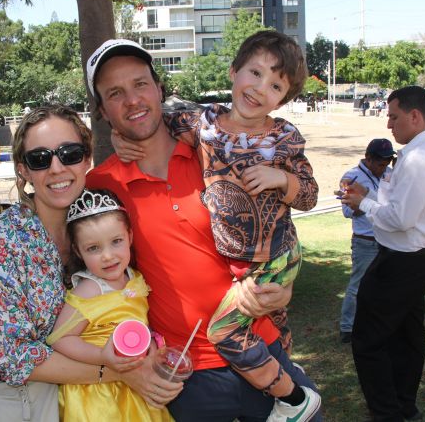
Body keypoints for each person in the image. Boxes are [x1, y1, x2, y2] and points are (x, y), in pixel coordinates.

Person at [85, 37, 322, 422]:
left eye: (141, 84)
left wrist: (283, 289)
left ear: (159, 88)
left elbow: (277, 224)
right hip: (186, 373)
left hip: (259, 345)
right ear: (102, 110)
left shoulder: (216, 151)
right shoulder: (101, 186)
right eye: (115, 93)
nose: (132, 100)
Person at [0, 105, 183, 422]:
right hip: (16, 403)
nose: (57, 168)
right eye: (40, 159)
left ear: (87, 159)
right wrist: (120, 372)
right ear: (24, 171)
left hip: (91, 403)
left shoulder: (103, 223)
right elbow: (10, 355)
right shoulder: (5, 240)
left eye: (70, 153)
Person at [341, 85, 425, 422]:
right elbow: (400, 204)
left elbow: (401, 219)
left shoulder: (418, 159)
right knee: (406, 335)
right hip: (412, 258)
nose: (388, 124)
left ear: (414, 116)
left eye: (393, 116)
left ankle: (388, 412)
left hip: (402, 262)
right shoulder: (421, 152)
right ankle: (403, 406)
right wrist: (369, 196)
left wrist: (363, 203)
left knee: (367, 339)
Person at [47, 188, 172, 421]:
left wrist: (152, 346)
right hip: (97, 393)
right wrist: (102, 356)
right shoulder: (89, 290)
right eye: (93, 248)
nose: (107, 256)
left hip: (134, 384)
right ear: (78, 251)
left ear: (130, 237)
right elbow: (60, 339)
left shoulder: (134, 277)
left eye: (116, 241)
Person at [337, 138, 396, 344]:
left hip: (388, 239)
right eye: (380, 163)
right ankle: (348, 327)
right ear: (368, 158)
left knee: (385, 284)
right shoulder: (351, 177)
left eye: (387, 163)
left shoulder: (389, 174)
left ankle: (378, 323)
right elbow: (347, 211)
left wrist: (370, 202)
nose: (384, 168)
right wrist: (368, 205)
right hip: (366, 241)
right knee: (358, 286)